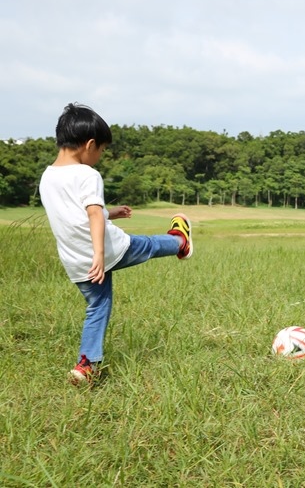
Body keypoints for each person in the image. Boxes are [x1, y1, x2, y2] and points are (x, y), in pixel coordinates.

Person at [39, 103, 194, 385]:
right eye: (102, 150)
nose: (100, 156)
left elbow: (75, 216)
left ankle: (87, 365)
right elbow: (93, 213)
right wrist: (99, 252)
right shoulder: (87, 174)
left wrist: (112, 213)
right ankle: (180, 241)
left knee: (97, 306)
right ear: (89, 144)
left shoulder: (48, 178)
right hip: (106, 250)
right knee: (147, 246)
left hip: (76, 260)